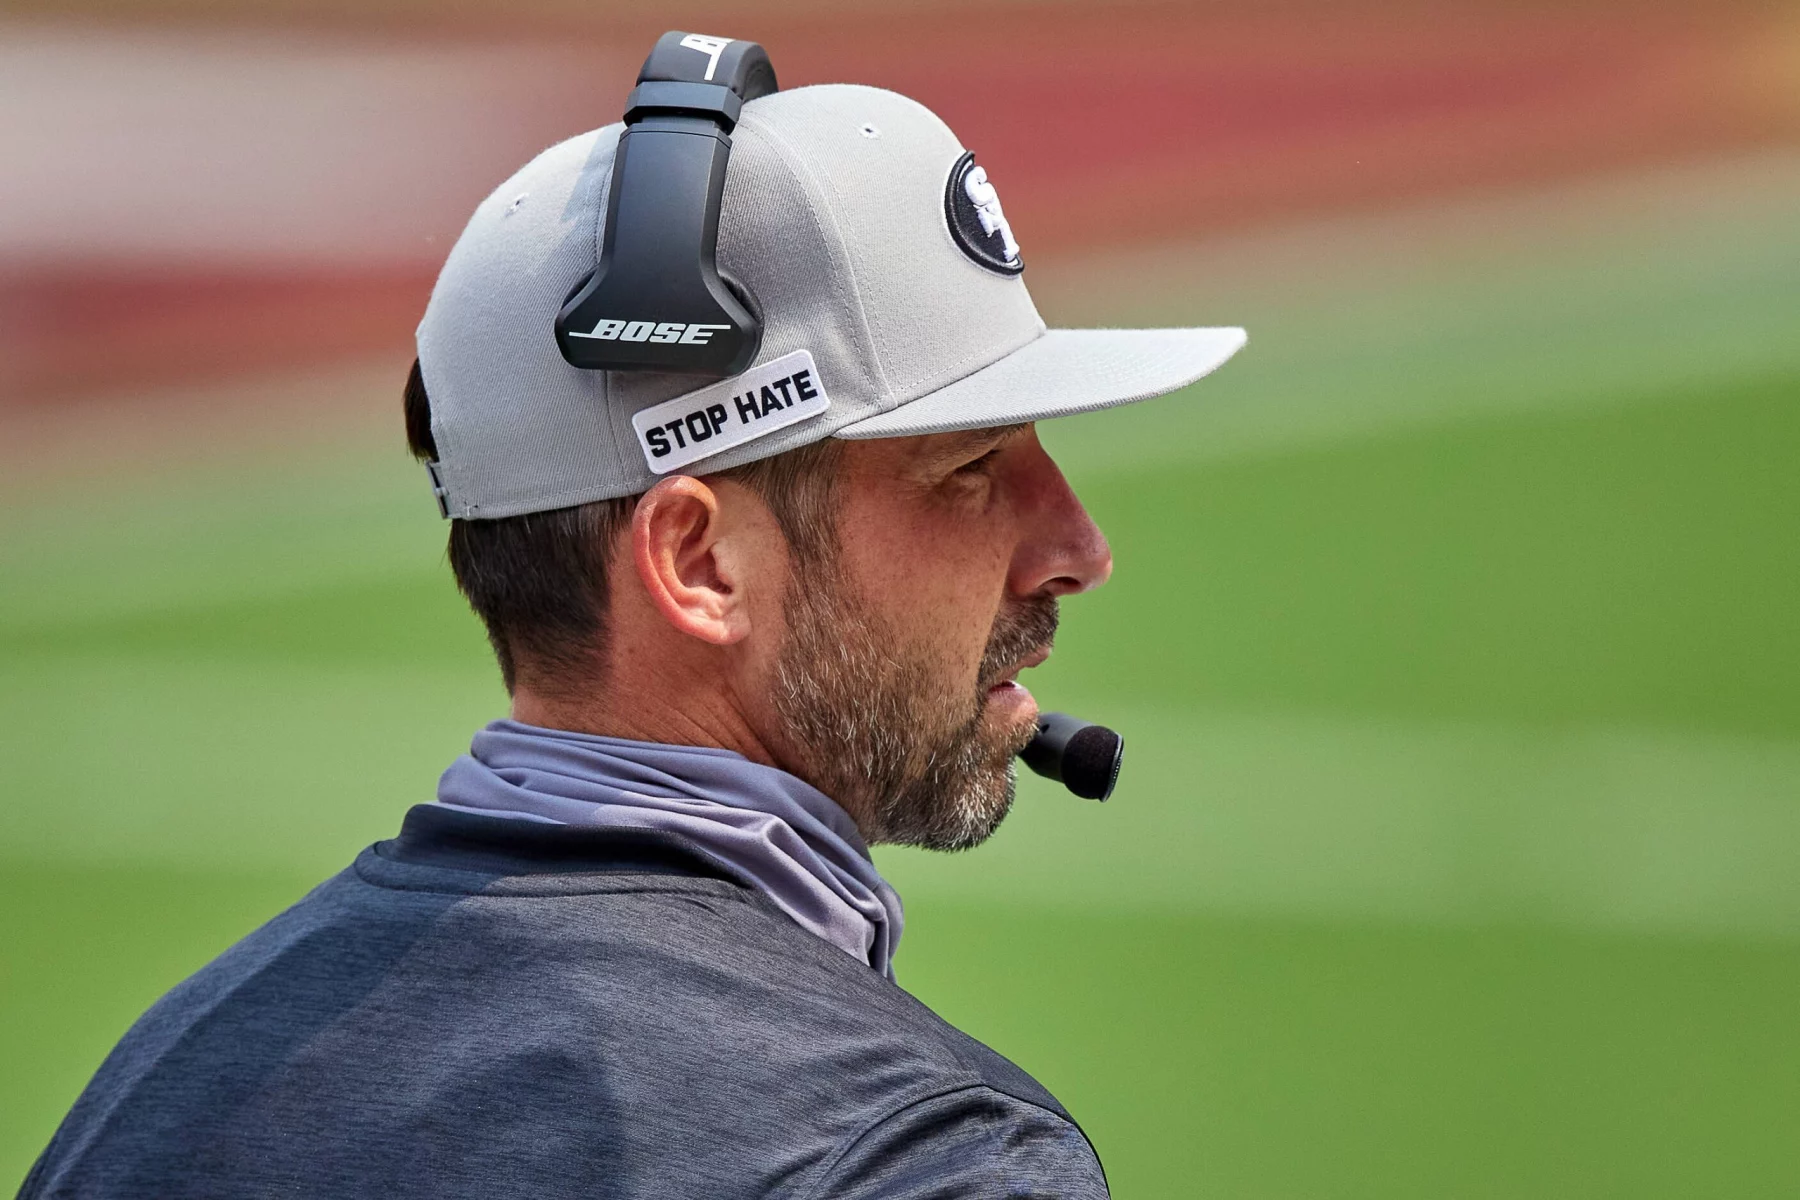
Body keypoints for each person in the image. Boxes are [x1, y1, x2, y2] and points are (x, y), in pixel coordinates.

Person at [20, 57, 1243, 1200]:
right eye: (970, 469)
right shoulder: (909, 1156)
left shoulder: (158, 1091)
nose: (1077, 548)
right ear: (700, 563)